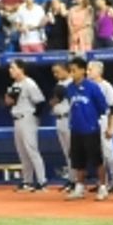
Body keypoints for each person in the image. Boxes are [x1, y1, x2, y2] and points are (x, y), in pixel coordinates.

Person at [63, 57, 108, 200]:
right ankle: (80, 187)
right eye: (70, 70)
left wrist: (91, 119)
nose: (72, 73)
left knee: (97, 159)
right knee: (78, 160)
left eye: (74, 70)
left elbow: (102, 106)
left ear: (83, 71)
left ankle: (102, 187)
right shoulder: (69, 88)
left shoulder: (92, 87)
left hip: (91, 128)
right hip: (75, 128)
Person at [4, 60, 47, 191]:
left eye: (13, 68)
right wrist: (9, 98)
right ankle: (27, 181)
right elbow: (9, 102)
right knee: (22, 152)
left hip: (27, 118)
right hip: (17, 119)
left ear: (21, 69)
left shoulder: (29, 83)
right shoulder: (15, 84)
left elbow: (40, 102)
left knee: (31, 150)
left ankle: (41, 181)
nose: (10, 70)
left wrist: (34, 117)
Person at [87, 60, 113, 198]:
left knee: (108, 153)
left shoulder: (107, 86)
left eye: (91, 69)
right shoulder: (87, 86)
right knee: (97, 154)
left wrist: (111, 126)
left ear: (99, 71)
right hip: (91, 121)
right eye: (88, 69)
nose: (88, 72)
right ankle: (102, 182)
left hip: (104, 120)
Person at [49, 61, 74, 191]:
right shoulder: (59, 84)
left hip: (69, 119)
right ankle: (71, 179)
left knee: (73, 152)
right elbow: (53, 101)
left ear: (66, 70)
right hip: (59, 120)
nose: (55, 74)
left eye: (58, 71)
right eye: (54, 72)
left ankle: (76, 180)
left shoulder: (72, 83)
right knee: (66, 152)